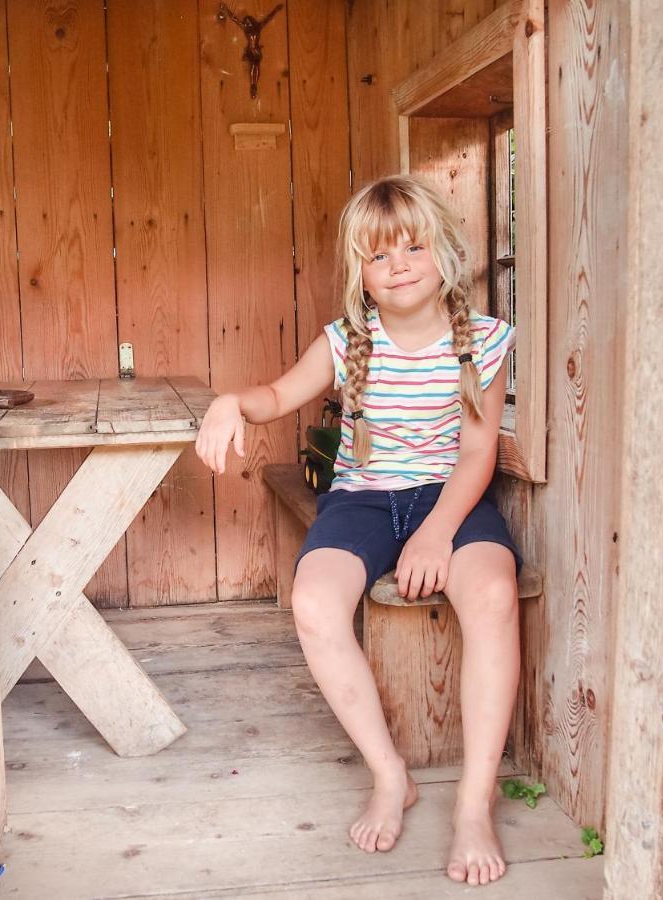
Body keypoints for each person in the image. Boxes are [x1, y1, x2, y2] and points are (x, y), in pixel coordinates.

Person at [195, 174, 521, 887]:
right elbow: (278, 394)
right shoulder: (347, 342)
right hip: (364, 500)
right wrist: (230, 403)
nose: (399, 263)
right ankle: (389, 774)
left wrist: (438, 532)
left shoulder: (486, 342)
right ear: (361, 274)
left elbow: (476, 452)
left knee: (493, 598)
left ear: (446, 252)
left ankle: (474, 804)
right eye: (379, 255)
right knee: (314, 601)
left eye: (413, 246)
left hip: (451, 497)